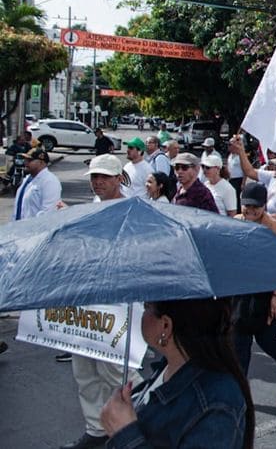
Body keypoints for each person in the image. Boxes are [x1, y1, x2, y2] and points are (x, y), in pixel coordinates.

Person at [100, 298, 254, 449]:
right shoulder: (171, 368)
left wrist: (125, 433)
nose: (143, 314)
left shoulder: (217, 400)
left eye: (147, 307)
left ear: (165, 326)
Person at [59, 155, 138, 449]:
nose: (98, 181)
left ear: (119, 178)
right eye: (94, 176)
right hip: (87, 297)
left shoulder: (131, 210)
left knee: (116, 371)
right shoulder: (93, 207)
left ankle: (138, 424)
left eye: (104, 176)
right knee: (84, 367)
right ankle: (96, 430)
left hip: (115, 300)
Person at [231, 181, 276, 399]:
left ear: (264, 206)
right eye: (247, 206)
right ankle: (239, 393)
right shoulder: (236, 222)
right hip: (242, 289)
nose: (250, 211)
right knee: (238, 339)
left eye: (256, 207)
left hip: (268, 290)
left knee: (267, 339)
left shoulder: (274, 229)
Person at [12, 145, 62, 220]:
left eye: (29, 160)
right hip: (19, 228)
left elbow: (49, 212)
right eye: (25, 160)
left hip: (35, 229)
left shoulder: (50, 181)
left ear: (41, 162)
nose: (25, 162)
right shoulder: (27, 179)